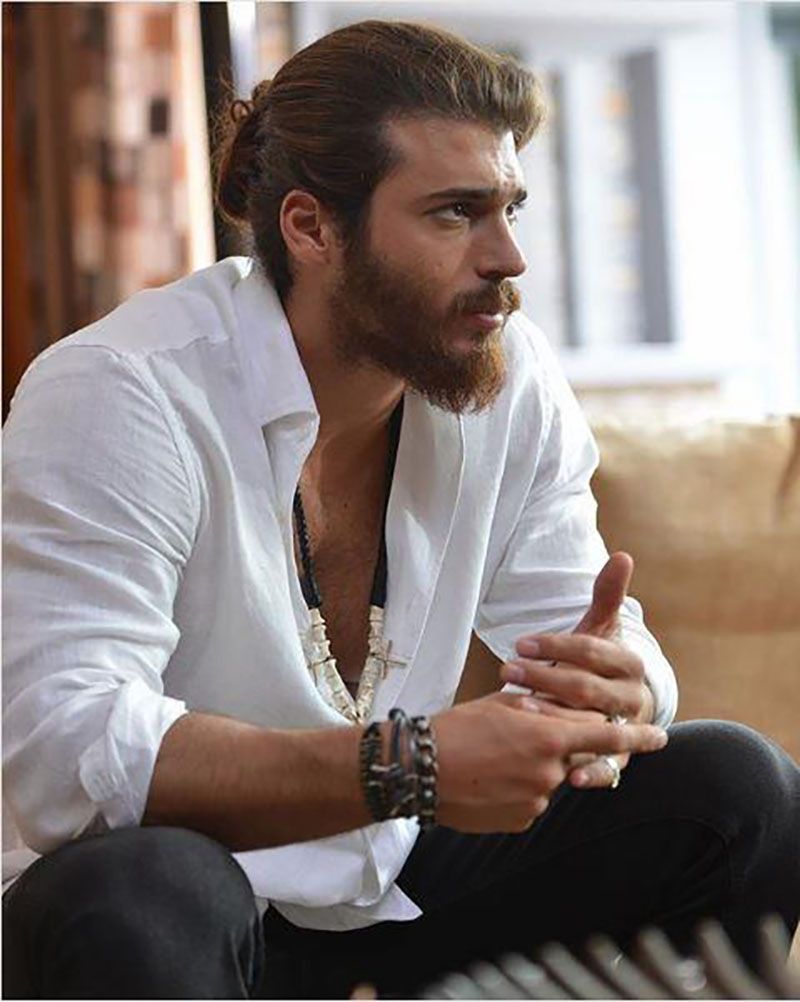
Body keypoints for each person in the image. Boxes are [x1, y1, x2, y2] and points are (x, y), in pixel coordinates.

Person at [2, 19, 798, 1001]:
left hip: (385, 879)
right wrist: (405, 766)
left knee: (735, 790)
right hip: (186, 911)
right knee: (142, 889)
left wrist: (623, 688)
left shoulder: (506, 377)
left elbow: (587, 630)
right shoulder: (121, 389)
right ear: (310, 229)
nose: (508, 257)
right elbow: (67, 750)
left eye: (509, 207)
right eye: (455, 213)